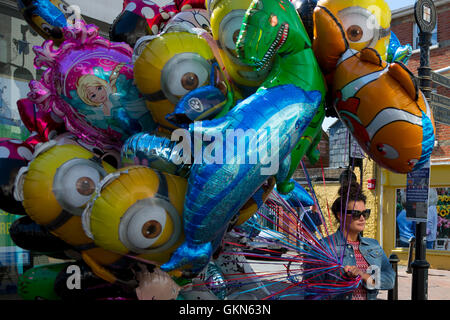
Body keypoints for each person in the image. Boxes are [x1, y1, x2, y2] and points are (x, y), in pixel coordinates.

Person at [309, 182, 395, 300]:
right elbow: (313, 291)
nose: (362, 218)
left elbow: (390, 279)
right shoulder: (324, 247)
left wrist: (364, 276)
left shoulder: (373, 245)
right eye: (356, 214)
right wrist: (342, 277)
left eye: (365, 213)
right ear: (340, 215)